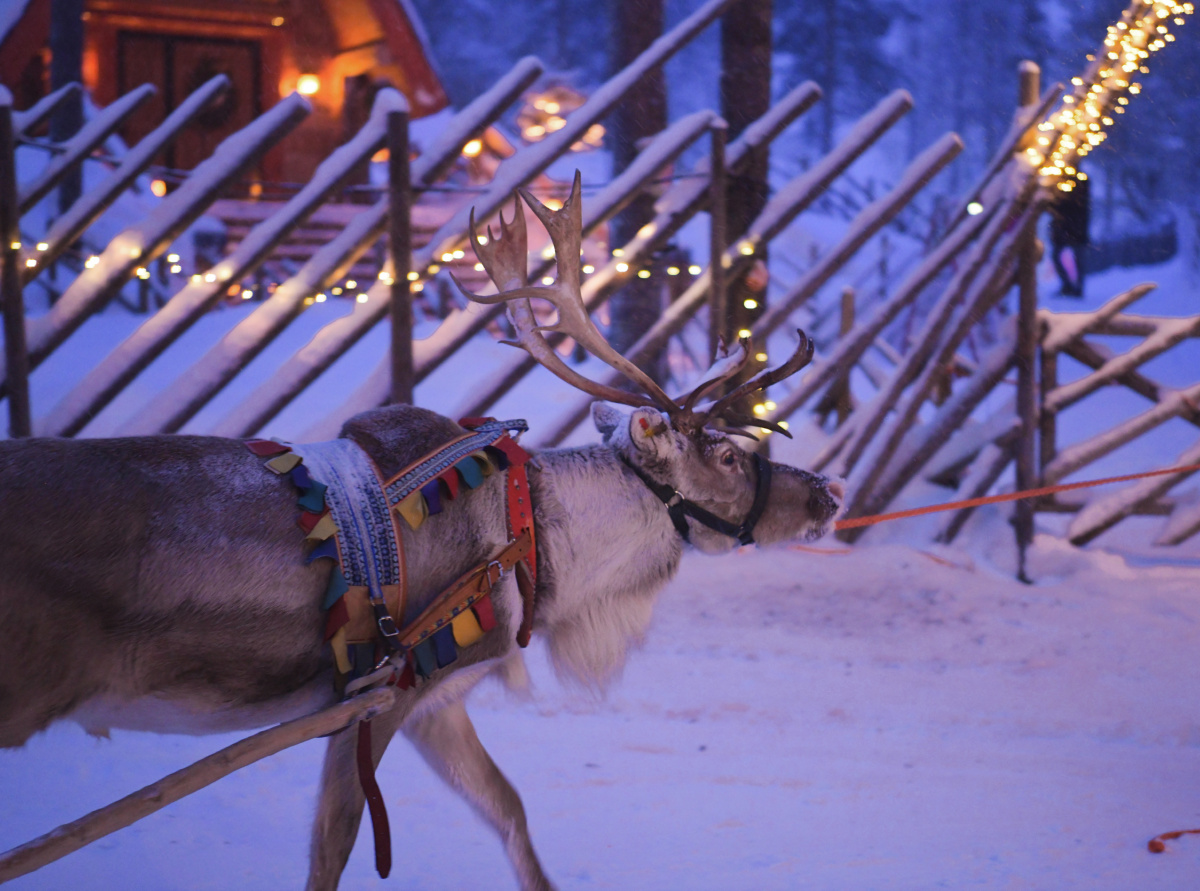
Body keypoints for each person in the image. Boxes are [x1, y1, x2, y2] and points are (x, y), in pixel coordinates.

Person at [1049, 175, 1090, 297]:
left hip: (1076, 231)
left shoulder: (1080, 182)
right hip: (1065, 231)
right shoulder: (1058, 181)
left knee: (1078, 261)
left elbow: (1075, 205)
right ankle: (1069, 286)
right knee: (1058, 257)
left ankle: (1076, 288)